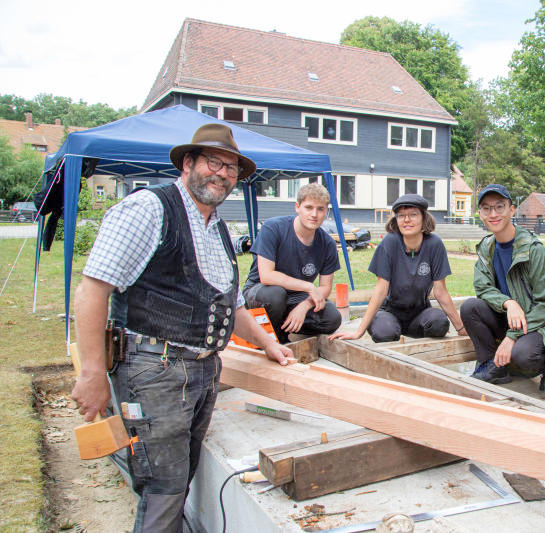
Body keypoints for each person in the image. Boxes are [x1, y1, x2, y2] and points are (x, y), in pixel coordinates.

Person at [70, 123, 294, 532]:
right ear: (188, 163)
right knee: (163, 488)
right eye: (214, 162)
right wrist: (91, 373)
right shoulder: (149, 209)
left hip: (202, 370)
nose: (223, 174)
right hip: (154, 369)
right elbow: (92, 289)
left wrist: (267, 343)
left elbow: (232, 301)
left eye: (231, 168)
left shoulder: (219, 228)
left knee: (179, 478)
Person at [460, 184, 545, 393]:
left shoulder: (535, 251)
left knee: (523, 356)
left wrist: (512, 337)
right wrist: (508, 303)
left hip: (540, 325)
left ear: (512, 210)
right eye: (486, 208)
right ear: (480, 214)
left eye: (499, 207)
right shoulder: (487, 247)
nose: (493, 214)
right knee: (470, 308)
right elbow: (482, 287)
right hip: (512, 317)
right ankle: (493, 366)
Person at [329, 194, 465, 343]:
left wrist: (460, 328)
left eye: (413, 215)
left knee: (439, 322)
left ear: (423, 218)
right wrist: (358, 332)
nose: (407, 220)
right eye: (401, 216)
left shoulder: (434, 244)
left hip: (419, 313)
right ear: (396, 220)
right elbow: (380, 291)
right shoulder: (390, 243)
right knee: (384, 332)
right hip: (389, 312)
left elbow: (440, 291)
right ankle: (389, 331)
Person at [242, 183, 342, 344]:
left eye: (320, 209)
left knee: (332, 317)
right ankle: (270, 339)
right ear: (297, 207)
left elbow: (325, 287)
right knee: (275, 295)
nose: (314, 214)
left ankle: (283, 326)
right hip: (261, 291)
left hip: (296, 297)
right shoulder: (273, 228)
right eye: (308, 207)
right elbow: (267, 276)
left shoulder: (327, 244)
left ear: (326, 211)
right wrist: (309, 287)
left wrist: (304, 306)